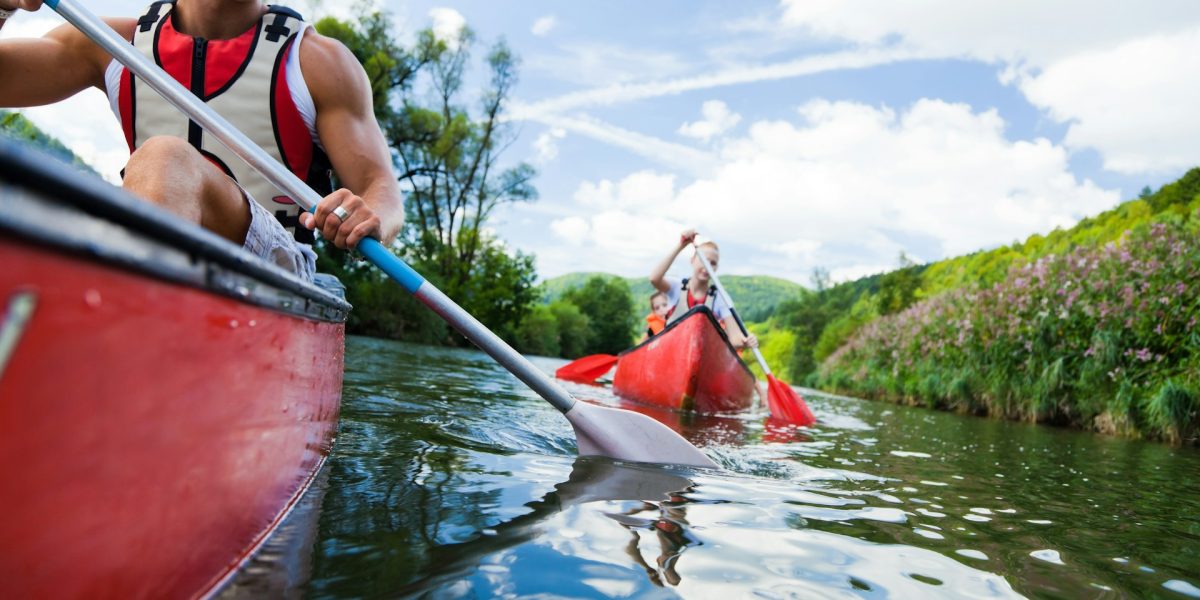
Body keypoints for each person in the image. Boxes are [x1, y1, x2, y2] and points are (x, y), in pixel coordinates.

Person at [0, 0, 403, 282]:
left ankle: (117, 321)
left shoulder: (319, 63)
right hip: (142, 241)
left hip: (275, 264)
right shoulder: (105, 43)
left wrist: (369, 215)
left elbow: (381, 191)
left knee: (163, 157)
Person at [648, 228, 758, 349]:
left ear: (716, 268)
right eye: (703, 260)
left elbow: (735, 337)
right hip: (672, 350)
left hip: (701, 353)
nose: (707, 266)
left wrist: (745, 341)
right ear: (692, 260)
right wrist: (681, 245)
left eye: (713, 263)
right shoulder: (676, 287)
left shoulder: (720, 297)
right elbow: (654, 278)